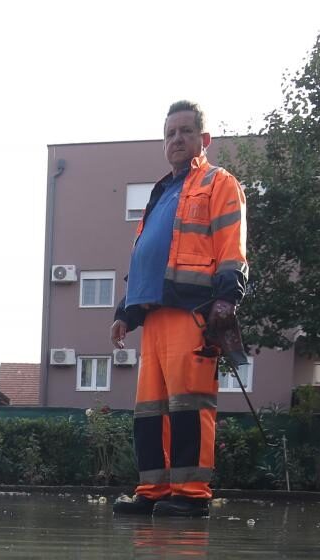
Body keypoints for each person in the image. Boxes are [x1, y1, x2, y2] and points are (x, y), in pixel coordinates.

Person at [111, 100, 250, 518]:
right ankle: (152, 491)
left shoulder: (218, 183)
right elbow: (145, 258)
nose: (176, 139)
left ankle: (191, 494)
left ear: (203, 139)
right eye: (170, 133)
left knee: (189, 403)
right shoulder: (159, 195)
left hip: (193, 312)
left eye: (185, 131)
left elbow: (231, 246)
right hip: (153, 315)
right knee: (150, 411)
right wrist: (125, 311)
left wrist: (226, 300)